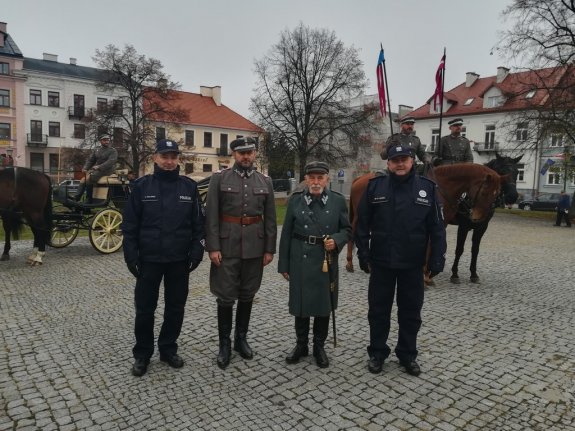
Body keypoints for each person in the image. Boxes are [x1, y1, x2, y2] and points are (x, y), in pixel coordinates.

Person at [355, 144, 446, 376]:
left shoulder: (427, 189)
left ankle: (407, 354)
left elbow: (437, 229)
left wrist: (437, 258)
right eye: (395, 160)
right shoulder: (375, 187)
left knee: (411, 312)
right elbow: (362, 223)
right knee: (378, 311)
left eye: (404, 159)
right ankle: (377, 352)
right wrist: (362, 252)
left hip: (412, 264)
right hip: (382, 261)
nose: (400, 163)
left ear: (412, 161)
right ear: (388, 163)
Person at [121, 138, 205, 377]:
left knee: (175, 308)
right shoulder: (141, 187)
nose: (169, 162)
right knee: (145, 309)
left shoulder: (189, 187)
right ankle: (142, 354)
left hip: (179, 260)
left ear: (178, 159)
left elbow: (199, 225)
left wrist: (197, 252)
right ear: (155, 158)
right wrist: (131, 256)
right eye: (164, 156)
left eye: (173, 157)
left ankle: (168, 349)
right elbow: (129, 226)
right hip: (149, 260)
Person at [205, 137, 277, 370]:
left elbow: (271, 220)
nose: (246, 156)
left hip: (255, 248)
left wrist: (269, 249)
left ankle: (240, 340)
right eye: (241, 153)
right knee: (226, 296)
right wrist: (213, 246)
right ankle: (224, 344)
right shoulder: (219, 179)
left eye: (250, 152)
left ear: (255, 154)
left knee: (247, 294)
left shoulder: (265, 181)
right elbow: (212, 215)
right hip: (227, 247)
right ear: (234, 154)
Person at [278, 161, 351, 368]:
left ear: (327, 179)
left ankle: (319, 346)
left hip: (325, 260)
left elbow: (347, 230)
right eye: (312, 178)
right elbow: (286, 235)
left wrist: (336, 240)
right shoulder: (296, 201)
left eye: (320, 178)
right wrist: (283, 264)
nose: (316, 182)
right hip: (300, 257)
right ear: (306, 179)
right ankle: (301, 345)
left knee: (323, 304)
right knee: (300, 305)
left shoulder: (337, 202)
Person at [73, 134, 118, 202]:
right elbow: (91, 160)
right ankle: (76, 198)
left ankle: (89, 200)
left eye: (108, 140)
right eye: (104, 140)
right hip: (97, 170)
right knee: (83, 179)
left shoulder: (112, 151)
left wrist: (99, 166)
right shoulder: (97, 150)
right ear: (101, 141)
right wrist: (85, 168)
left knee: (89, 178)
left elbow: (110, 162)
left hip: (108, 170)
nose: (106, 142)